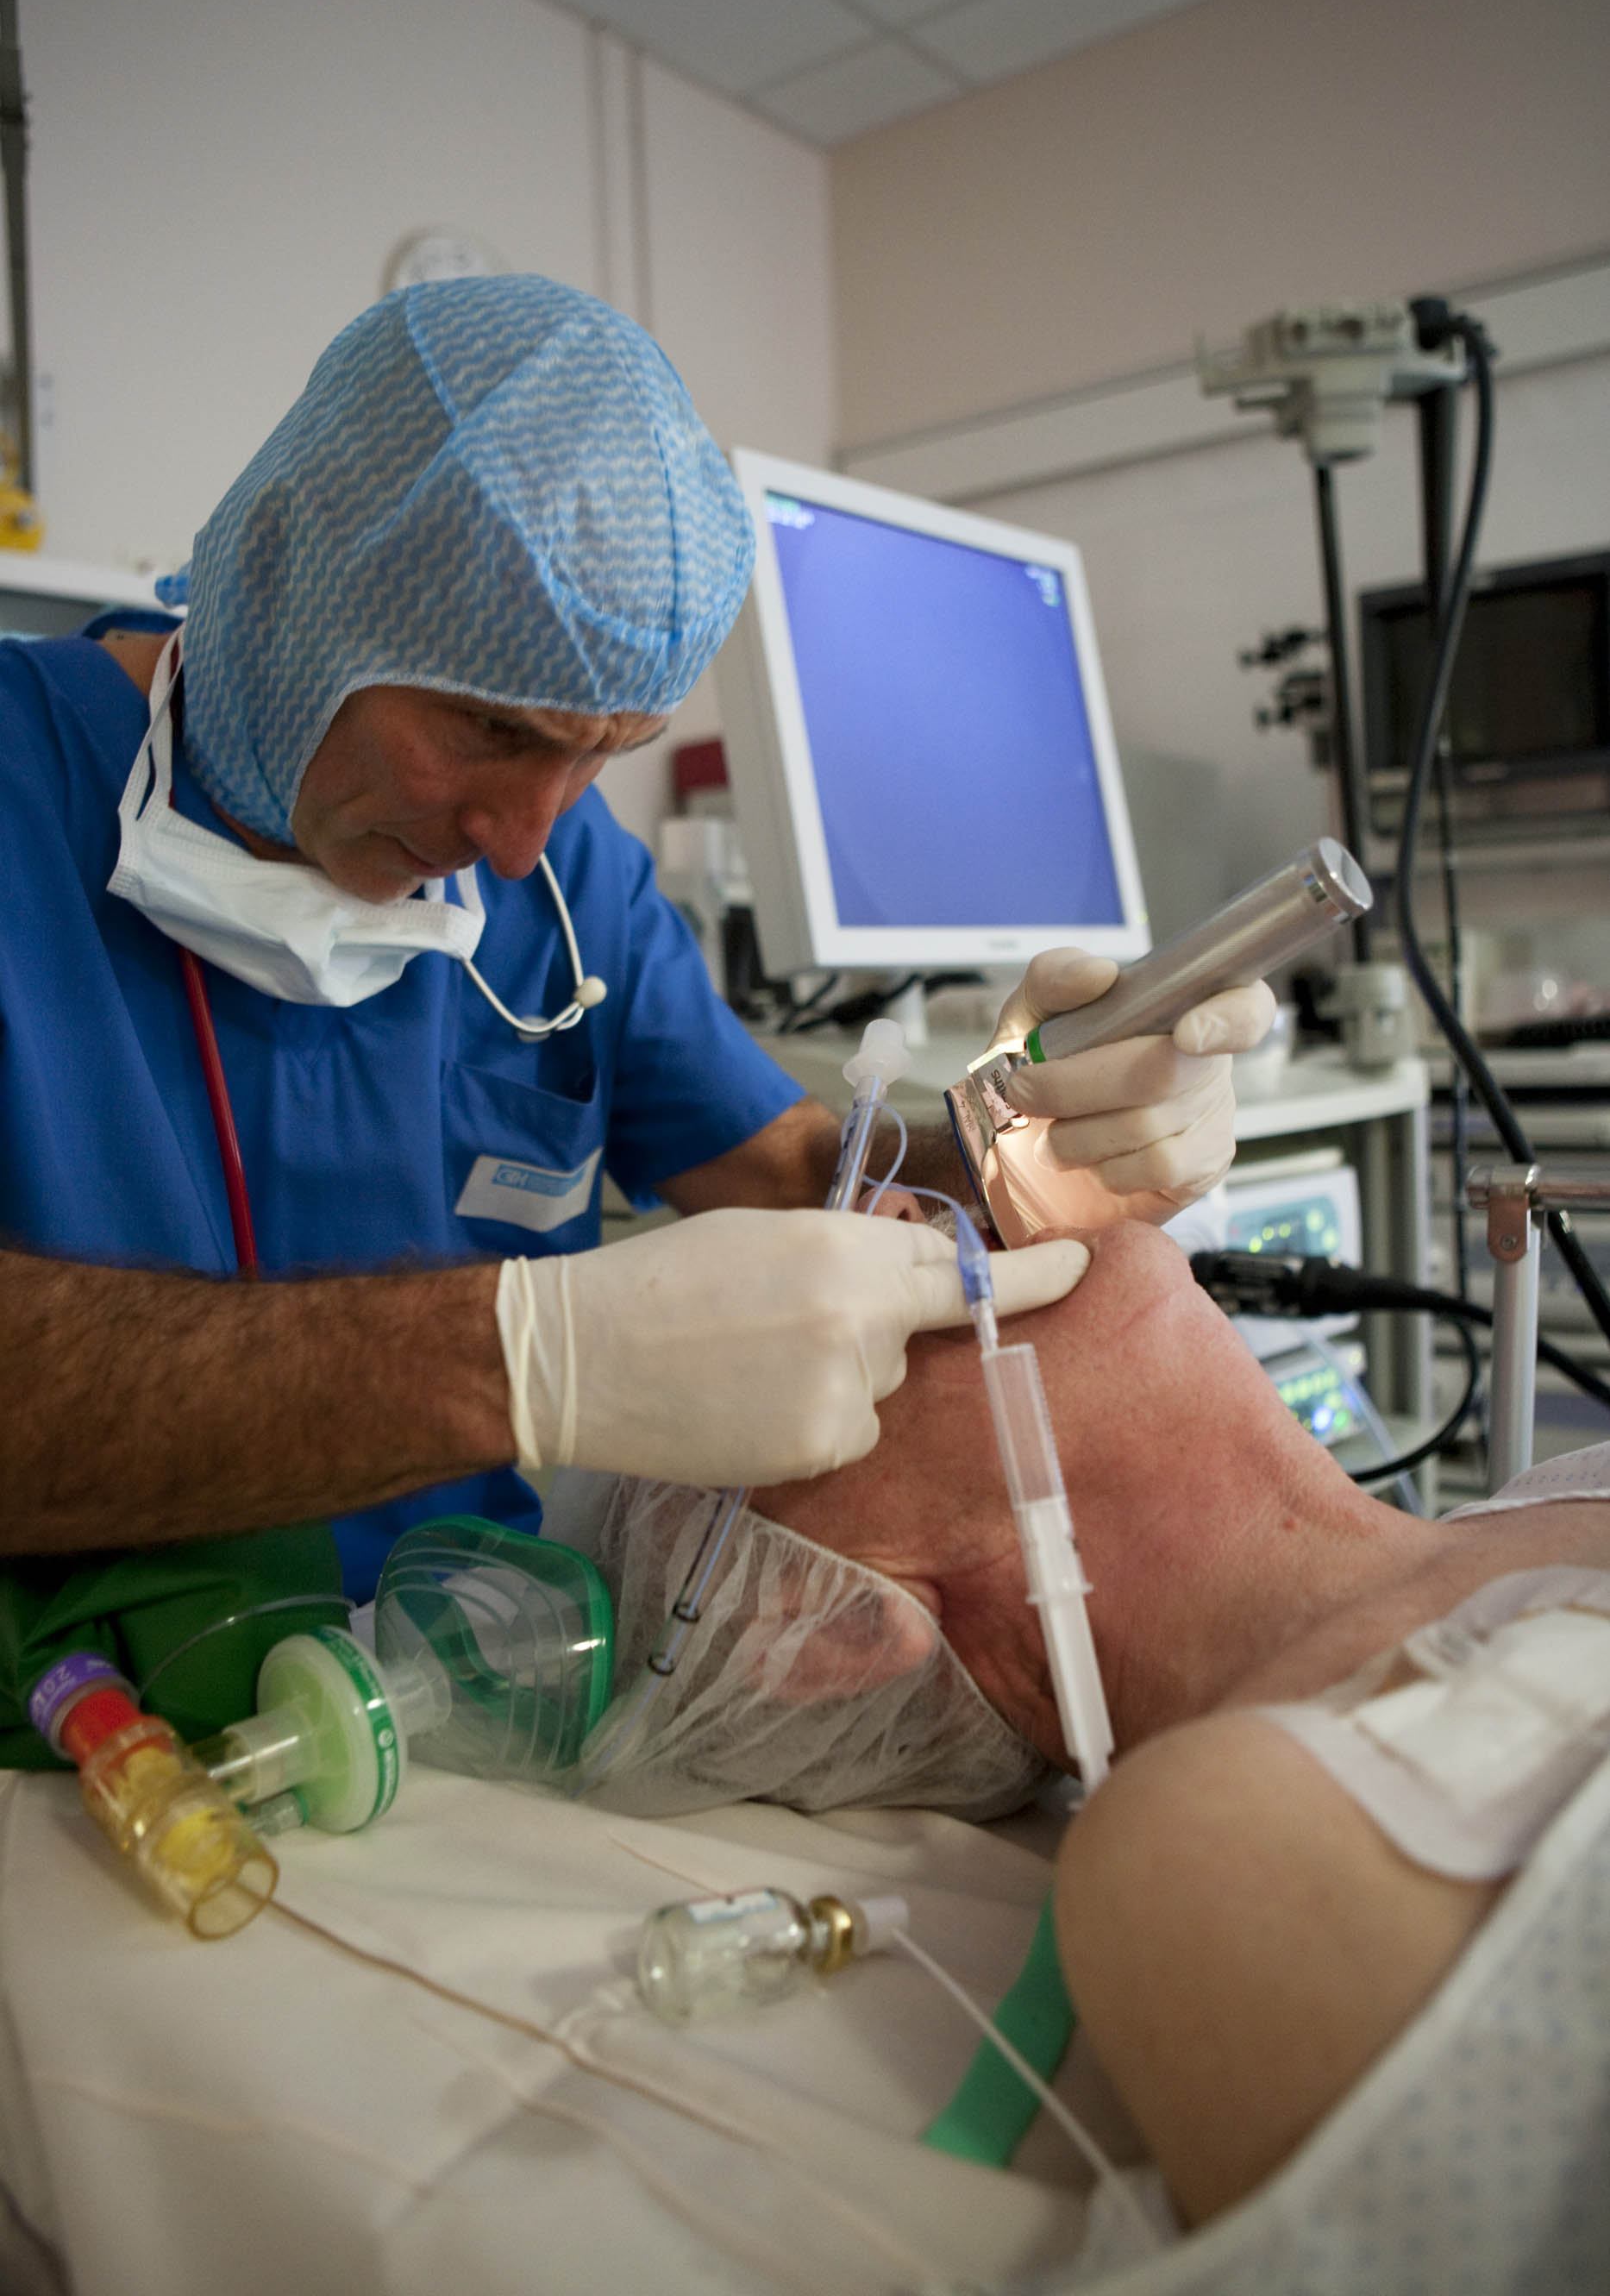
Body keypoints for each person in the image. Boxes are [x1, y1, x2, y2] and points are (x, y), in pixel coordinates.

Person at [0, 274, 1270, 1598]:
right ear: (290, 583)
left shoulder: (573, 885)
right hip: (67, 1696)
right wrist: (512, 1359)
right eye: (490, 729)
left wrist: (1032, 1140)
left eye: (600, 754)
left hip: (463, 1671)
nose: (518, 844)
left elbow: (802, 1176)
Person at [655, 1218, 1610, 2245]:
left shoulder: (1561, 1486)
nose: (894, 1212)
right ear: (831, 1627)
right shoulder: (1234, 1843)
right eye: (790, 1333)